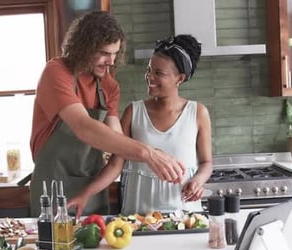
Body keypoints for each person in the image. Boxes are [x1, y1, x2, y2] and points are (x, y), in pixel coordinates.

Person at [29, 11, 186, 217]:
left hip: (93, 189)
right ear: (83, 47)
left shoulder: (109, 87)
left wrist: (88, 192)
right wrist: (148, 153)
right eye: (104, 53)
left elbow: (117, 147)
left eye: (115, 53)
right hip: (52, 191)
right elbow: (84, 127)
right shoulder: (56, 72)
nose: (110, 61)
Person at [68, 34, 213, 217]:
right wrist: (85, 194)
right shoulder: (133, 112)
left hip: (184, 214)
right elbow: (115, 166)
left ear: (180, 78)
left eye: (159, 73)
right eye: (149, 70)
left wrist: (198, 181)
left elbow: (207, 163)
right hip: (138, 217)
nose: (149, 77)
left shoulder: (198, 113)